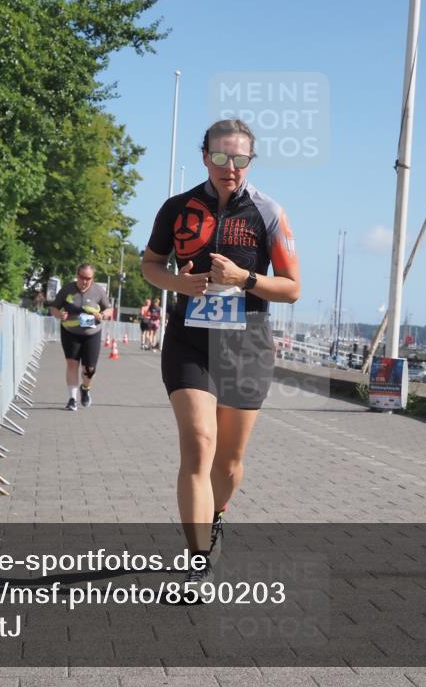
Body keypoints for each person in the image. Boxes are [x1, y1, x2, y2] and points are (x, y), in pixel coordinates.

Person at [142, 119, 300, 590]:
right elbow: (151, 264)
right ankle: (196, 564)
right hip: (190, 338)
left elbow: (291, 289)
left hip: (247, 343)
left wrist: (244, 279)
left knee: (227, 463)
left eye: (239, 159)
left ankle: (216, 512)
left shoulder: (268, 212)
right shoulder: (177, 208)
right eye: (219, 157)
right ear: (205, 155)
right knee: (199, 445)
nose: (229, 168)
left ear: (251, 161)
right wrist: (178, 283)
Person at [49, 264, 113, 411]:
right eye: (82, 277)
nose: (84, 281)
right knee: (72, 364)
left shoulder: (98, 291)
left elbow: (109, 309)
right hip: (70, 332)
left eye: (88, 278)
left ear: (93, 278)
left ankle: (85, 389)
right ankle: (72, 399)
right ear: (77, 275)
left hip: (92, 333)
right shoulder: (67, 289)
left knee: (89, 369)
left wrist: (102, 315)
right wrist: (59, 314)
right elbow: (53, 308)